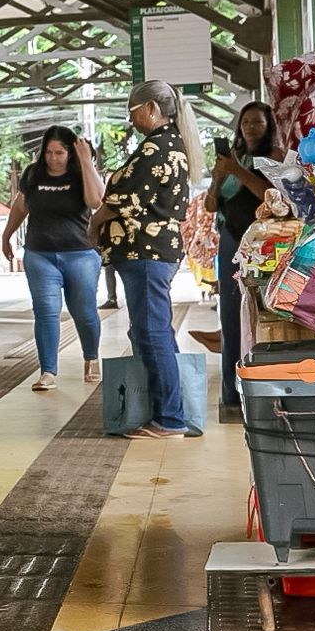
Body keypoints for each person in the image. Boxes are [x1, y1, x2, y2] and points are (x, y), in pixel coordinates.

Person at [92, 80, 205, 439]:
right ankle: (172, 411)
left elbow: (124, 200)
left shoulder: (157, 147)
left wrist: (94, 224)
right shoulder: (170, 144)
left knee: (152, 332)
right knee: (153, 330)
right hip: (151, 252)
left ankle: (169, 418)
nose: (131, 119)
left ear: (152, 109)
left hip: (145, 251)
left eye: (133, 111)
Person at [1, 126, 107, 390]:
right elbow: (21, 206)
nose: (53, 158)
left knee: (84, 312)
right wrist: (7, 235)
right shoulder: (33, 174)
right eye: (49, 152)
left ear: (70, 152)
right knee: (46, 312)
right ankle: (48, 371)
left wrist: (86, 161)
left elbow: (96, 201)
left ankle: (91, 357)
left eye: (59, 152)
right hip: (40, 254)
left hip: (80, 255)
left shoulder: (81, 173)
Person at [202, 101, 279, 416]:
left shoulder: (274, 157)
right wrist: (219, 175)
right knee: (231, 315)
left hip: (265, 243)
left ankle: (263, 388)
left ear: (268, 125)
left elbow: (271, 196)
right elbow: (210, 205)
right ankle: (231, 393)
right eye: (245, 122)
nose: (250, 128)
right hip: (231, 241)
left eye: (257, 122)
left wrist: (237, 170)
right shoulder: (233, 158)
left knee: (264, 313)